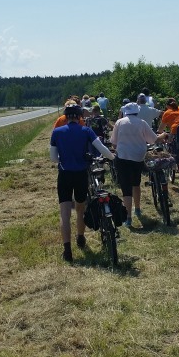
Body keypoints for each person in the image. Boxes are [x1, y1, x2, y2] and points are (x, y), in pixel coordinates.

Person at [50, 103, 115, 263]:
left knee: (65, 213)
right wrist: (113, 157)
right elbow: (101, 148)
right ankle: (80, 237)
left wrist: (64, 159)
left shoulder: (57, 132)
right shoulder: (86, 130)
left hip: (64, 174)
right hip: (81, 174)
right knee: (80, 209)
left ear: (65, 117)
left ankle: (67, 250)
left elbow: (53, 158)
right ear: (79, 116)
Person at [110, 102, 168, 227]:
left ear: (126, 112)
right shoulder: (142, 123)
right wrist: (163, 135)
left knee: (126, 188)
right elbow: (153, 140)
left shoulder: (119, 122)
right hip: (138, 157)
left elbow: (113, 143)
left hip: (123, 157)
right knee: (136, 183)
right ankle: (137, 209)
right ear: (137, 111)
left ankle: (128, 218)